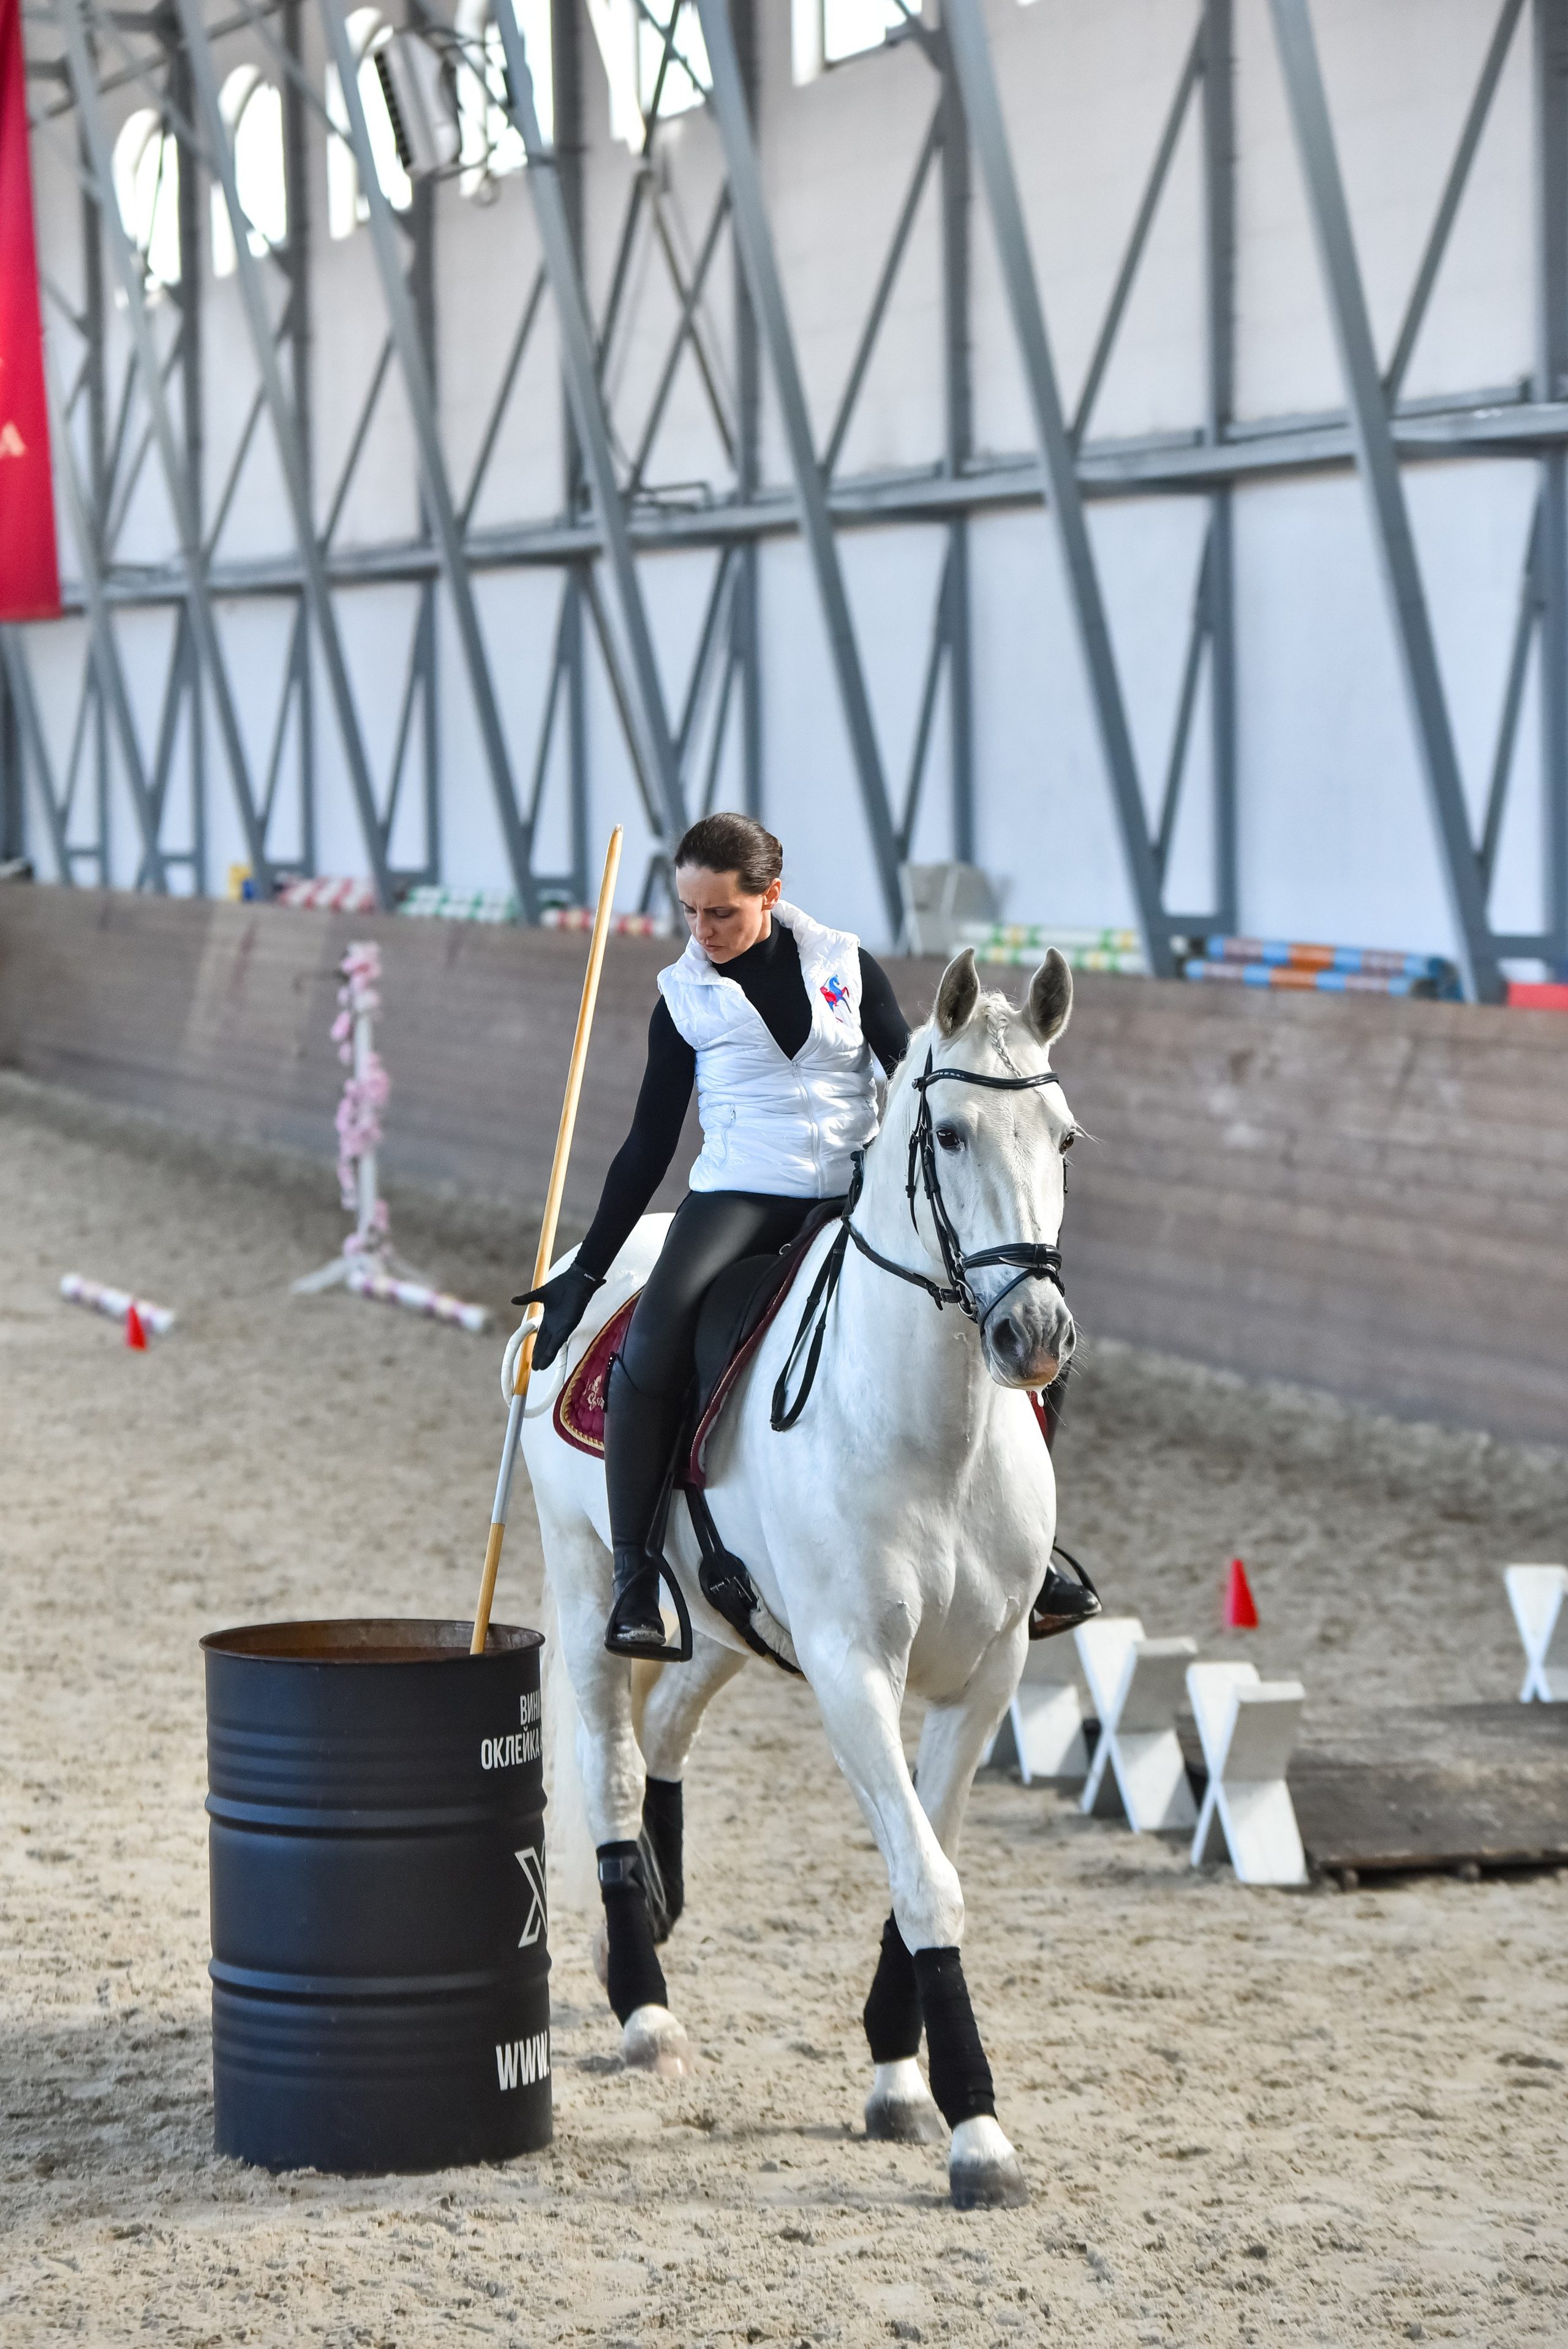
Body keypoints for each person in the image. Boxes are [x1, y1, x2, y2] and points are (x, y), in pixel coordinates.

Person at [514, 812, 911, 1661]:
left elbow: (907, 1078)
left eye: (721, 912)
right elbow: (648, 1146)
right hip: (737, 1194)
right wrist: (586, 1272)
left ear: (771, 895)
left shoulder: (846, 965)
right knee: (651, 1343)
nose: (704, 931)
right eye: (690, 912)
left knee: (1001, 1308)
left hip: (851, 1190)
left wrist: (892, 1157)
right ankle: (635, 1579)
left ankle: (1034, 1553)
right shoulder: (684, 997)